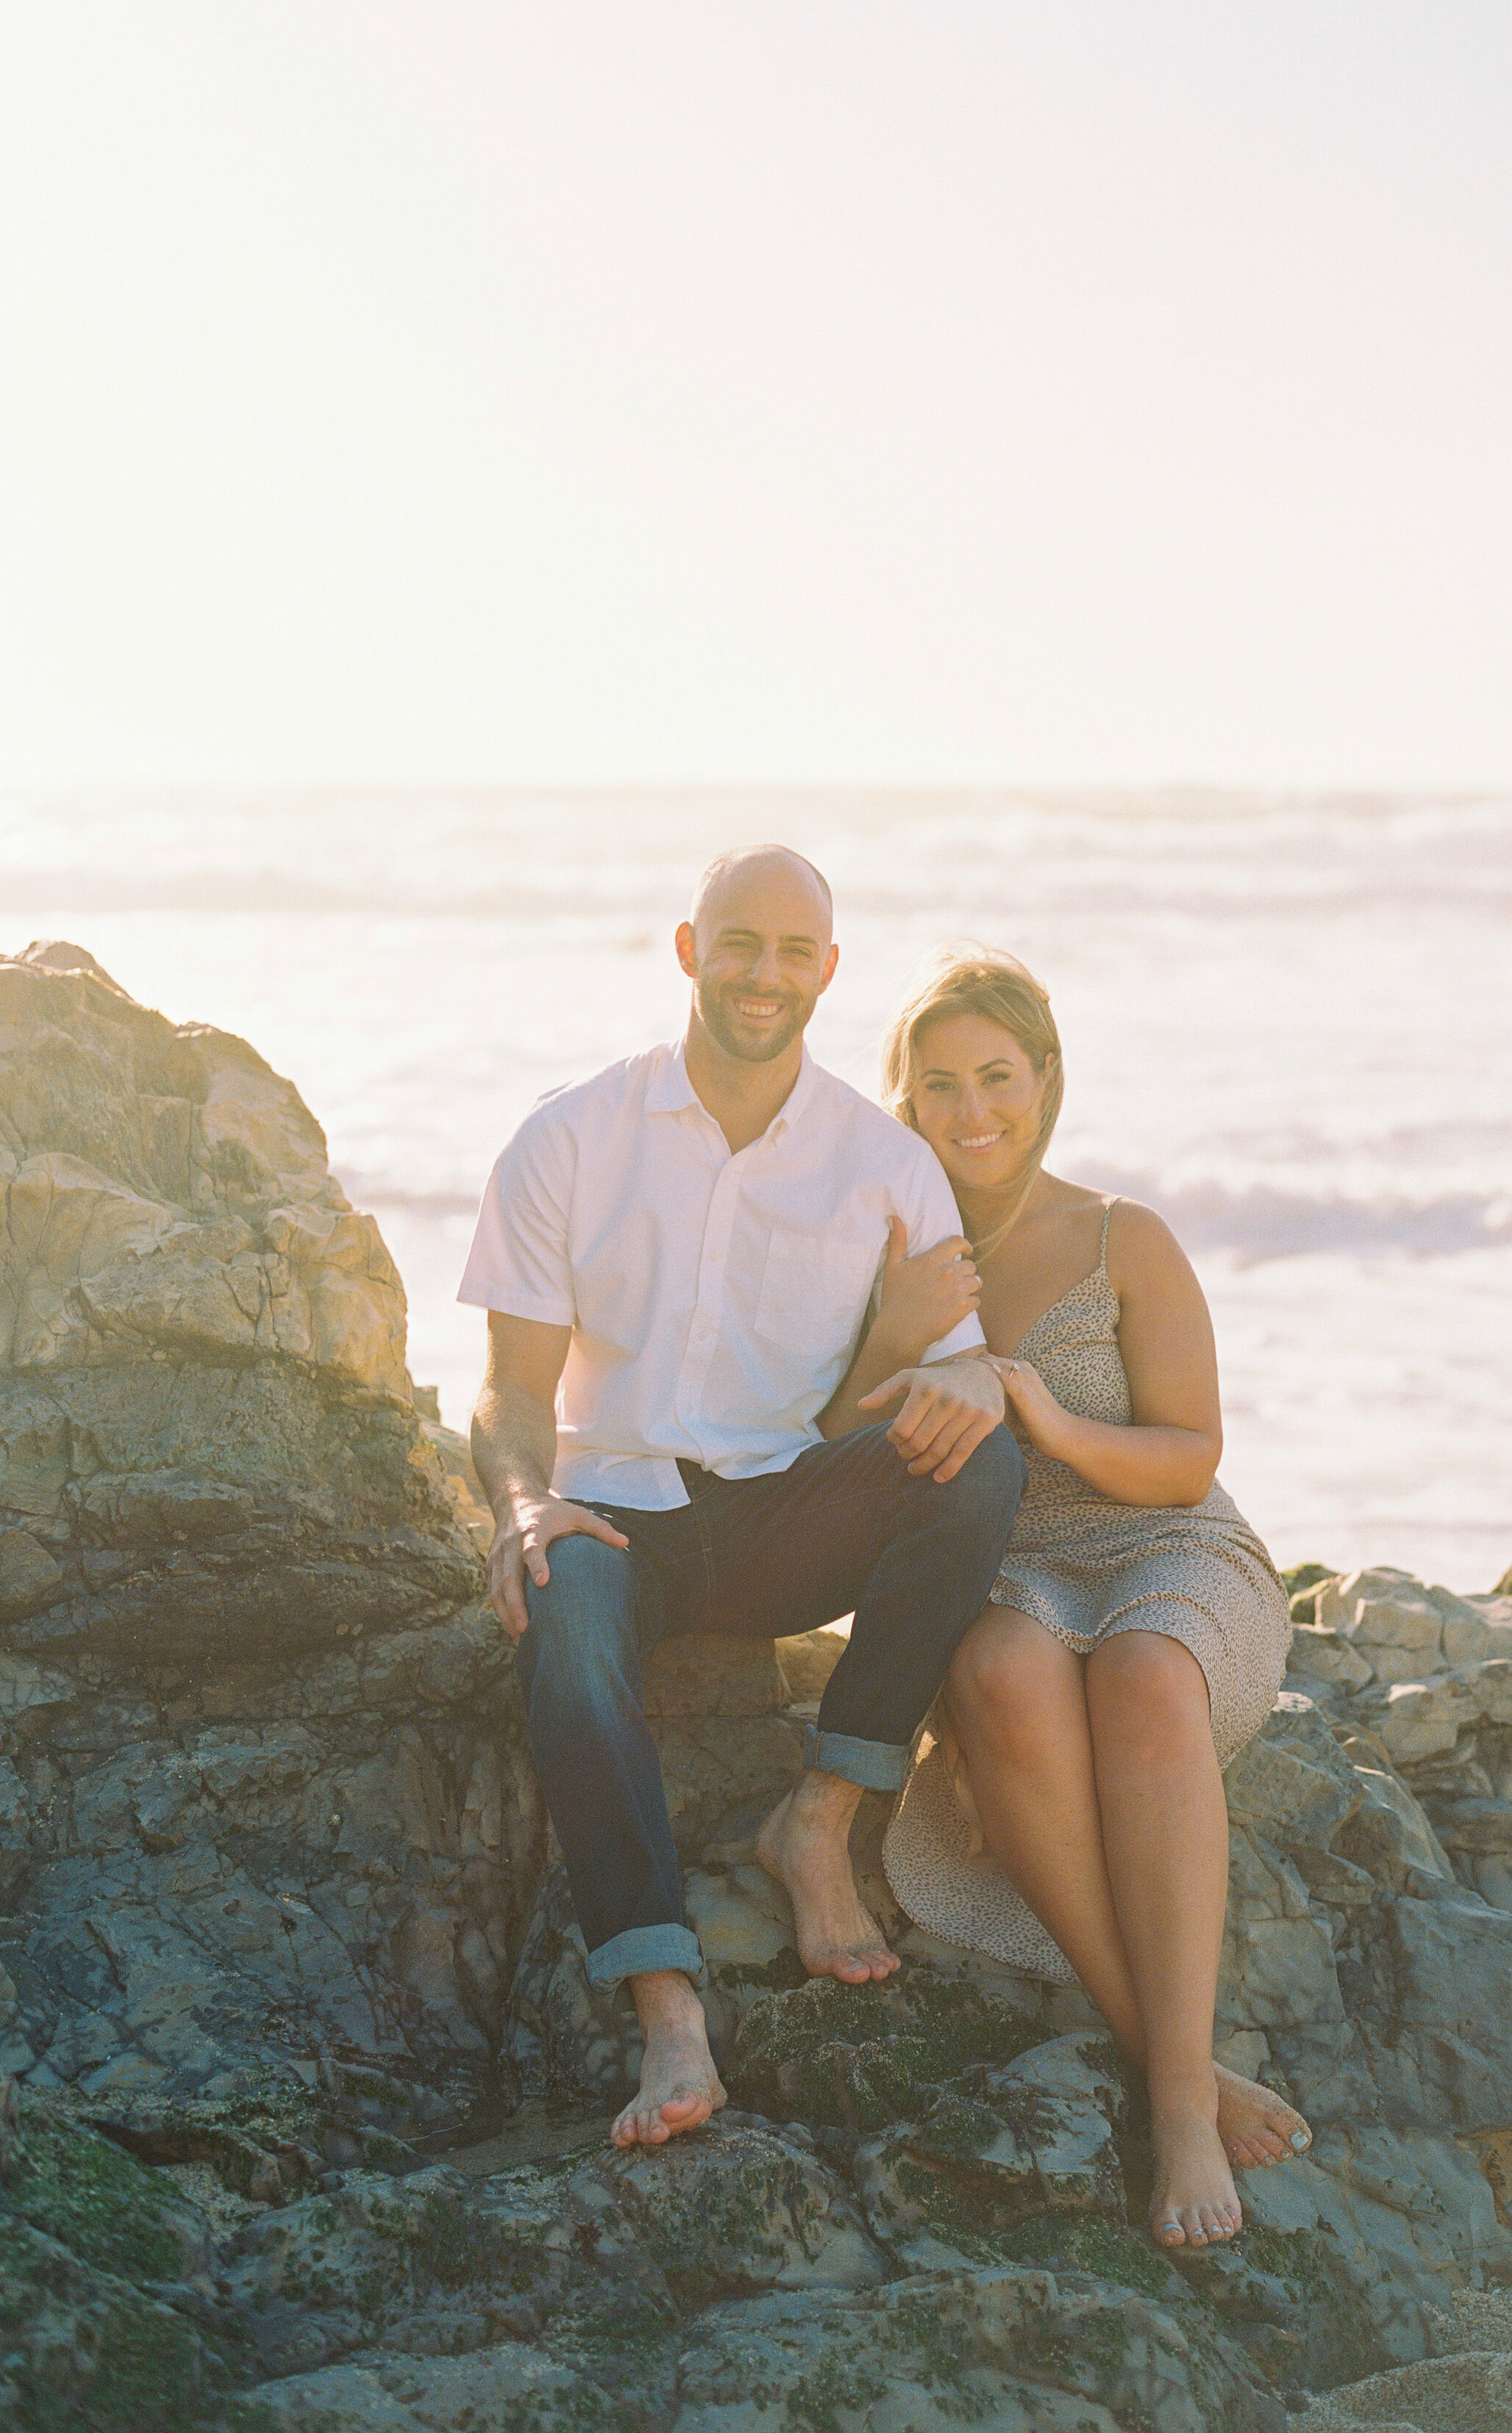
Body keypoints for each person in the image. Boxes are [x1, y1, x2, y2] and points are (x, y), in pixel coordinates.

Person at [460, 850, 1024, 2152]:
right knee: (562, 1605)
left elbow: (951, 1381)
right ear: (686, 949)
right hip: (612, 1513)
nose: (763, 973)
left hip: (783, 1515)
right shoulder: (569, 1137)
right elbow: (509, 1390)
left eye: (793, 951)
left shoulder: (885, 1166)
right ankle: (668, 2007)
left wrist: (975, 1380)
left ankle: (817, 1823)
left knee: (975, 1458)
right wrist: (520, 1507)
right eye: (738, 943)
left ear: (830, 970)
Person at [863, 948, 1307, 2251]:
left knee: (1144, 1675)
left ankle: (1175, 2108)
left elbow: (1190, 1453)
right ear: (906, 1102)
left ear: (1044, 1082)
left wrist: (1046, 1416)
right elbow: (823, 1441)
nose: (972, 1109)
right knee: (999, 1675)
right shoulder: (889, 1251)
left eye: (997, 1077)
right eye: (939, 1085)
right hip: (1005, 1568)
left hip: (1165, 1546)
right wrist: (897, 1334)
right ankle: (1178, 2061)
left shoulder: (1126, 1237)